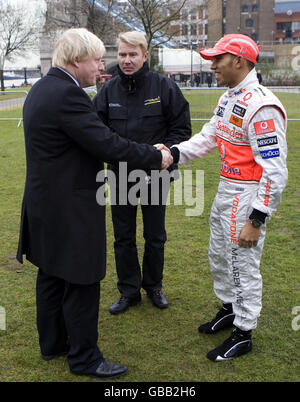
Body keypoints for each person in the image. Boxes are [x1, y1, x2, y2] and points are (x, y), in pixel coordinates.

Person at [16, 28, 173, 380]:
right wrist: (155, 155)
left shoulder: (42, 88)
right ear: (76, 60)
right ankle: (85, 358)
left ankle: (53, 343)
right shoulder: (68, 96)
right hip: (70, 209)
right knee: (83, 279)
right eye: (98, 59)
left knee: (52, 275)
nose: (103, 66)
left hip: (44, 205)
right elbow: (107, 144)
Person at [171, 34, 288, 361]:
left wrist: (257, 219)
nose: (212, 65)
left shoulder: (261, 106)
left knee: (242, 263)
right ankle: (229, 309)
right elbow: (209, 136)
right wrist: (174, 153)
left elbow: (275, 172)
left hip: (248, 195)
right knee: (220, 254)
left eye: (217, 59)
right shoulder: (229, 97)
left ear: (239, 60)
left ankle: (244, 331)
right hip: (226, 189)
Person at [93, 31, 191, 315]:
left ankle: (154, 286)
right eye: (122, 54)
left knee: (155, 235)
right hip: (120, 175)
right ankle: (129, 291)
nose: (126, 60)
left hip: (156, 176)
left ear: (145, 55)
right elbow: (96, 132)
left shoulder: (164, 87)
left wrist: (167, 155)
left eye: (132, 54)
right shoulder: (107, 91)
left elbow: (182, 129)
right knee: (123, 236)